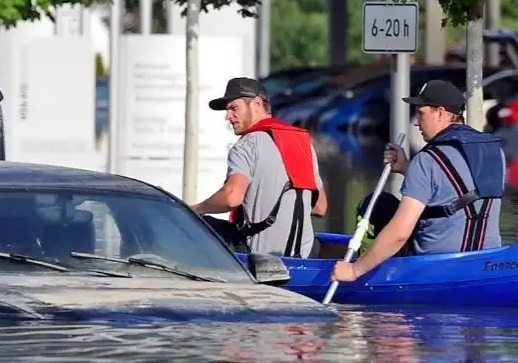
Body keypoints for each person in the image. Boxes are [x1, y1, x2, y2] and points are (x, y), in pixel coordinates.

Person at [332, 79, 506, 283]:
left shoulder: (427, 160)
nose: (416, 122)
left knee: (376, 205)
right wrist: (407, 168)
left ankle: (365, 268)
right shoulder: (495, 152)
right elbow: (456, 189)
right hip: (488, 263)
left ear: (440, 112)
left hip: (435, 269)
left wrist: (353, 271)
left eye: (421, 113)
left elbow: (400, 233)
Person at [190, 77, 327, 258]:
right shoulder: (303, 142)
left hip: (260, 256)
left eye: (233, 108)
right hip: (304, 254)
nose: (227, 116)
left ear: (256, 104)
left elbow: (231, 198)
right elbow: (319, 207)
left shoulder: (247, 145)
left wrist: (196, 209)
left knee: (194, 223)